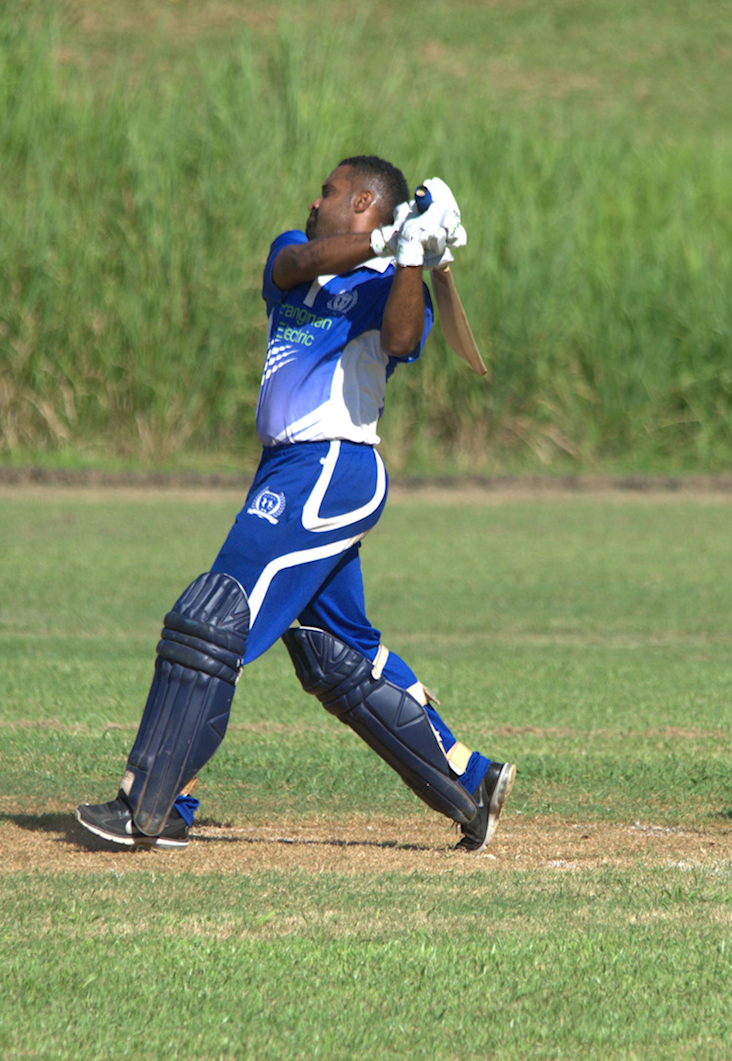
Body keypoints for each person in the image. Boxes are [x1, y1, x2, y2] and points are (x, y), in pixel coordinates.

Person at [76, 156, 515, 852]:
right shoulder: (296, 255)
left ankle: (150, 805)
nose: (315, 201)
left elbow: (402, 340)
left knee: (213, 617)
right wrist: (391, 237)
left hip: (329, 466)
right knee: (334, 655)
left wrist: (414, 258)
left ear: (364, 200)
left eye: (330, 192)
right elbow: (294, 264)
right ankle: (471, 783)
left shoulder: (389, 286)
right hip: (285, 470)